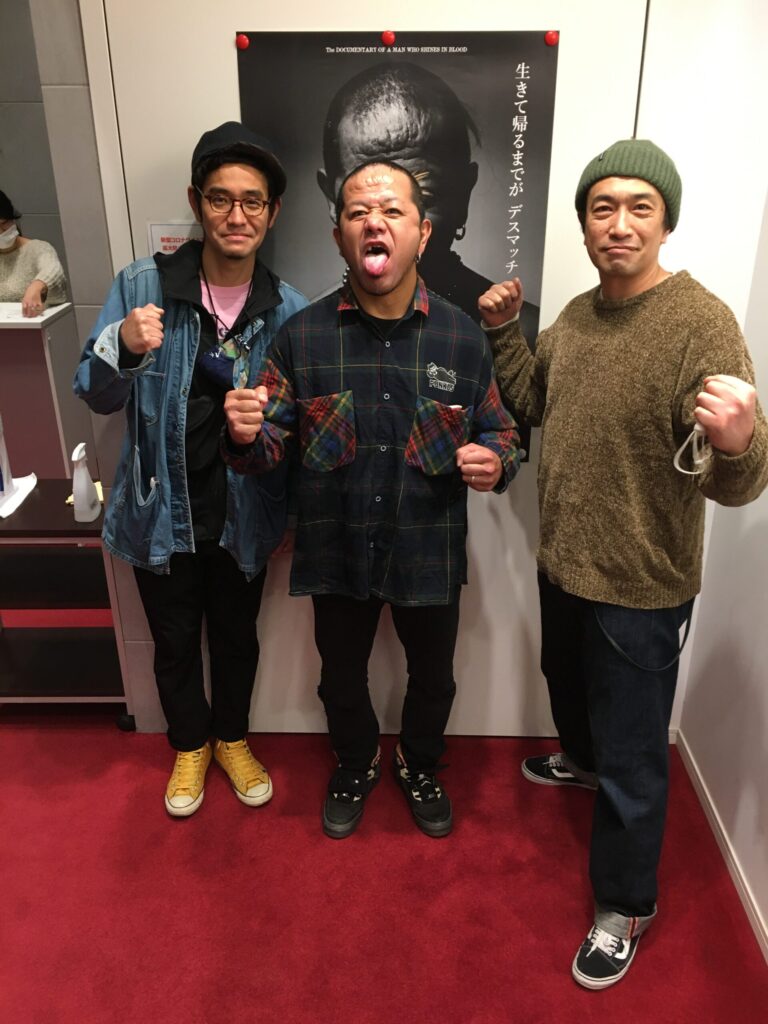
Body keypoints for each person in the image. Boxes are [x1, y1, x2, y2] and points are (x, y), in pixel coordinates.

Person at [479, 139, 768, 989]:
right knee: (569, 694)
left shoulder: (702, 323)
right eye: (602, 207)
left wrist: (741, 442)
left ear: (665, 223)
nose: (619, 223)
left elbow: (740, 483)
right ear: (584, 225)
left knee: (637, 760)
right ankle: (581, 762)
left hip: (642, 587)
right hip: (564, 563)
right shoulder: (575, 315)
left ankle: (626, 905)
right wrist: (502, 332)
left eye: (640, 207)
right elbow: (533, 402)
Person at [224, 160, 520, 839]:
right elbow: (269, 449)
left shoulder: (462, 338)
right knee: (339, 677)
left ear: (423, 232)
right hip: (337, 549)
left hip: (428, 548)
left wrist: (495, 460)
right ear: (339, 237)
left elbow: (501, 432)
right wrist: (244, 435)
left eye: (391, 211)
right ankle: (355, 763)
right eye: (357, 212)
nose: (373, 223)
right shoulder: (301, 337)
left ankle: (419, 764)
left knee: (435, 678)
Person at [74, 122, 307, 817]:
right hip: (158, 511)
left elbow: (297, 430)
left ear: (272, 212)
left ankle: (231, 738)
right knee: (174, 642)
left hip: (245, 512)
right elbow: (93, 392)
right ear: (196, 202)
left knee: (237, 639)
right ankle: (189, 745)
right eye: (220, 198)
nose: (237, 215)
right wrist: (122, 344)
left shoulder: (288, 310)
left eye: (252, 201)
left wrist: (287, 501)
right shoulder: (143, 286)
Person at [316, 62, 539, 343]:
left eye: (425, 198)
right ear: (332, 199)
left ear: (463, 192)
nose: (390, 226)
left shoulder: (518, 334)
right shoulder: (303, 334)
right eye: (365, 205)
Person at [0, 189, 67, 316]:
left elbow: (53, 270)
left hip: (30, 324)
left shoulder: (38, 249)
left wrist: (37, 285)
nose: (1, 232)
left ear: (13, 219)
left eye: (4, 223)